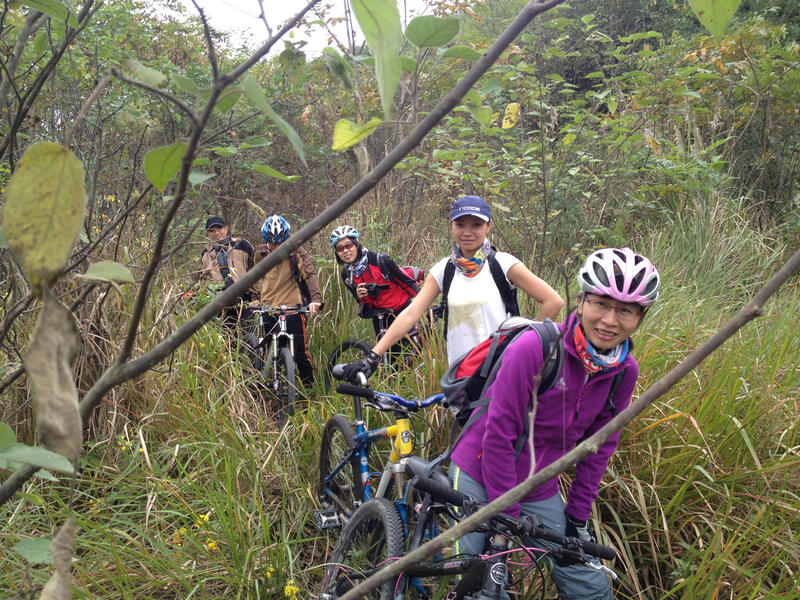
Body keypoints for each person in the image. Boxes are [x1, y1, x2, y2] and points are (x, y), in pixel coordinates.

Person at [449, 247, 661, 600]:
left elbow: (599, 449)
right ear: (581, 301)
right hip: (478, 471)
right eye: (601, 304)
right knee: (477, 582)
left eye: (626, 310)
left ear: (640, 317)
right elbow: (498, 436)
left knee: (590, 588)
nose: (610, 320)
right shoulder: (535, 348)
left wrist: (577, 518)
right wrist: (507, 516)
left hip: (538, 485)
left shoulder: (624, 372)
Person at [341, 195, 564, 380]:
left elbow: (553, 301)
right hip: (460, 375)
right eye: (460, 224)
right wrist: (373, 357)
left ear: (489, 225)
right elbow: (410, 314)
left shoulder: (504, 264)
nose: (467, 232)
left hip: (502, 371)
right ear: (451, 226)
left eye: (476, 224)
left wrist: (525, 348)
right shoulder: (443, 270)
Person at [250, 215, 323, 389]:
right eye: (272, 243)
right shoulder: (260, 253)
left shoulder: (297, 252)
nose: (276, 247)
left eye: (280, 243)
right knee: (270, 350)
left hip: (293, 309)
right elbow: (254, 277)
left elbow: (309, 275)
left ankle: (309, 389)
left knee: (301, 353)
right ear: (266, 239)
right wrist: (255, 298)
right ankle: (272, 383)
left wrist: (315, 300)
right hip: (269, 308)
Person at [329, 225, 420, 360]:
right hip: (379, 317)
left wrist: (423, 305)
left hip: (401, 311)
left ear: (356, 244)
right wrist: (360, 296)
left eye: (348, 245)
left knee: (409, 356)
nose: (345, 251)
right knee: (389, 358)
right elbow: (363, 305)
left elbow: (407, 282)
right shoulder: (347, 274)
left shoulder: (380, 260)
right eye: (340, 248)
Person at [199, 215, 254, 329]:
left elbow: (256, 271)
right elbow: (203, 280)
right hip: (220, 304)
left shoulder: (242, 245)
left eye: (219, 228)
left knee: (249, 335)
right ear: (207, 233)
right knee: (226, 337)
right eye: (212, 230)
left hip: (245, 301)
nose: (216, 233)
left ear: (226, 229)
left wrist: (256, 297)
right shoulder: (206, 254)